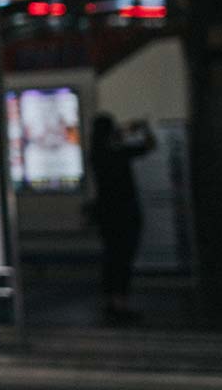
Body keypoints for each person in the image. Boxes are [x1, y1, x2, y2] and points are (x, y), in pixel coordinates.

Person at [89, 113, 156, 323]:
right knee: (123, 259)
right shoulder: (117, 152)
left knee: (111, 258)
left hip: (106, 215)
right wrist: (141, 128)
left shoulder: (96, 153)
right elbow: (149, 145)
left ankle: (110, 302)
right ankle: (120, 304)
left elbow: (111, 144)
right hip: (125, 213)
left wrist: (120, 133)